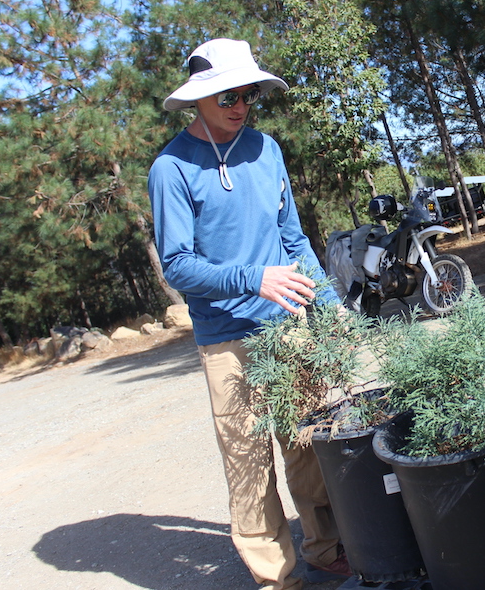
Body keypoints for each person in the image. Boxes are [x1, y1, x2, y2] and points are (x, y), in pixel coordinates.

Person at [148, 38, 350, 590]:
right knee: (248, 463)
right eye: (228, 95)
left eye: (249, 94)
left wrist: (329, 305)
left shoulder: (266, 150)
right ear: (199, 99)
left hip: (288, 325)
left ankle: (327, 547)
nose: (241, 105)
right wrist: (251, 277)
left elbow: (293, 239)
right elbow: (178, 266)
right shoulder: (171, 169)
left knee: (309, 447)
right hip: (225, 339)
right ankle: (277, 578)